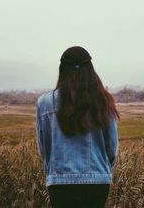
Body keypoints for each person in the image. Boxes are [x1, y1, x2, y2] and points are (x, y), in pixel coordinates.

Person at [35, 46, 119, 208]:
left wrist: (53, 168)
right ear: (90, 70)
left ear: (62, 70)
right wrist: (102, 169)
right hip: (98, 181)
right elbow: (111, 148)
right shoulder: (104, 101)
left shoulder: (44, 103)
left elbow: (44, 147)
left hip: (59, 180)